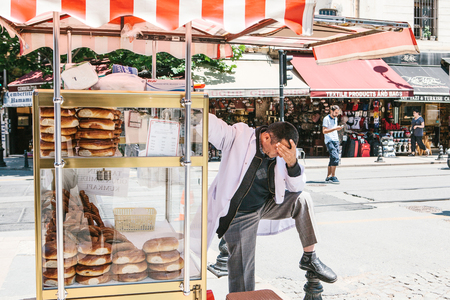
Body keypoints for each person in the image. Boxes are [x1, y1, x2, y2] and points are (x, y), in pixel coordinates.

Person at [206, 113, 337, 293]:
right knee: (244, 276)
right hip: (240, 214)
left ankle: (310, 257)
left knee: (303, 199)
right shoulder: (239, 136)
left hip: (266, 205)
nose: (280, 154)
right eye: (279, 150)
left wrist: (292, 163)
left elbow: (297, 186)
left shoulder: (284, 155)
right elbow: (214, 127)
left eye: (286, 151)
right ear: (266, 137)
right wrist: (194, 106)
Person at [322, 105, 343, 184]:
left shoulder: (336, 119)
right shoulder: (326, 119)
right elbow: (324, 131)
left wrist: (337, 128)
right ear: (331, 111)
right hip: (329, 140)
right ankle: (333, 176)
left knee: (332, 158)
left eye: (338, 113)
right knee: (335, 157)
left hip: (335, 140)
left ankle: (328, 176)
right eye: (336, 112)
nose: (337, 114)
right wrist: (335, 128)